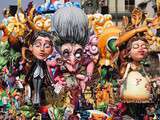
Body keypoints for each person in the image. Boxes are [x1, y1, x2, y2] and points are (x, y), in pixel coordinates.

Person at [119, 36, 160, 119]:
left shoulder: (145, 66)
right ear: (129, 52)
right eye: (136, 47)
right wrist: (123, 80)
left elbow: (146, 76)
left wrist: (151, 81)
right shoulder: (128, 65)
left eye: (144, 47)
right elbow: (125, 74)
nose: (141, 49)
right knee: (130, 112)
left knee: (143, 112)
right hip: (129, 94)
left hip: (144, 96)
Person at [24, 31, 54, 108]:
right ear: (31, 47)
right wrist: (26, 79)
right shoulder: (32, 63)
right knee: (34, 89)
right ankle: (34, 100)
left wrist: (51, 81)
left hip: (41, 76)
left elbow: (47, 72)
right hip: (34, 76)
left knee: (39, 89)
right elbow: (29, 71)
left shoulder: (44, 63)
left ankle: (37, 101)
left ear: (51, 49)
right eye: (37, 45)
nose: (42, 49)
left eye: (47, 46)